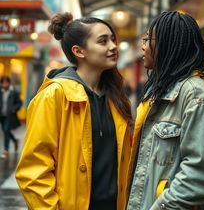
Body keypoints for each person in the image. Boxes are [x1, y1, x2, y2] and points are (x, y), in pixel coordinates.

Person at [16, 13, 132, 210]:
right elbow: (33, 171)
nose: (113, 46)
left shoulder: (116, 98)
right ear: (79, 51)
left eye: (113, 39)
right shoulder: (54, 95)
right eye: (103, 41)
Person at [126, 11, 204, 210]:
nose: (143, 46)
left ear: (167, 43)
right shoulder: (161, 90)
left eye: (148, 39)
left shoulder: (196, 96)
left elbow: (200, 176)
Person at [0, 75, 21, 158]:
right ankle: (15, 141)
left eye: (6, 83)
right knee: (6, 131)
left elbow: (19, 103)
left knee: (6, 130)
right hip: (2, 115)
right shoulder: (0, 92)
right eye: (3, 83)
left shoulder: (14, 92)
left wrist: (14, 109)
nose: (5, 85)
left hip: (10, 115)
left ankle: (6, 150)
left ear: (9, 83)